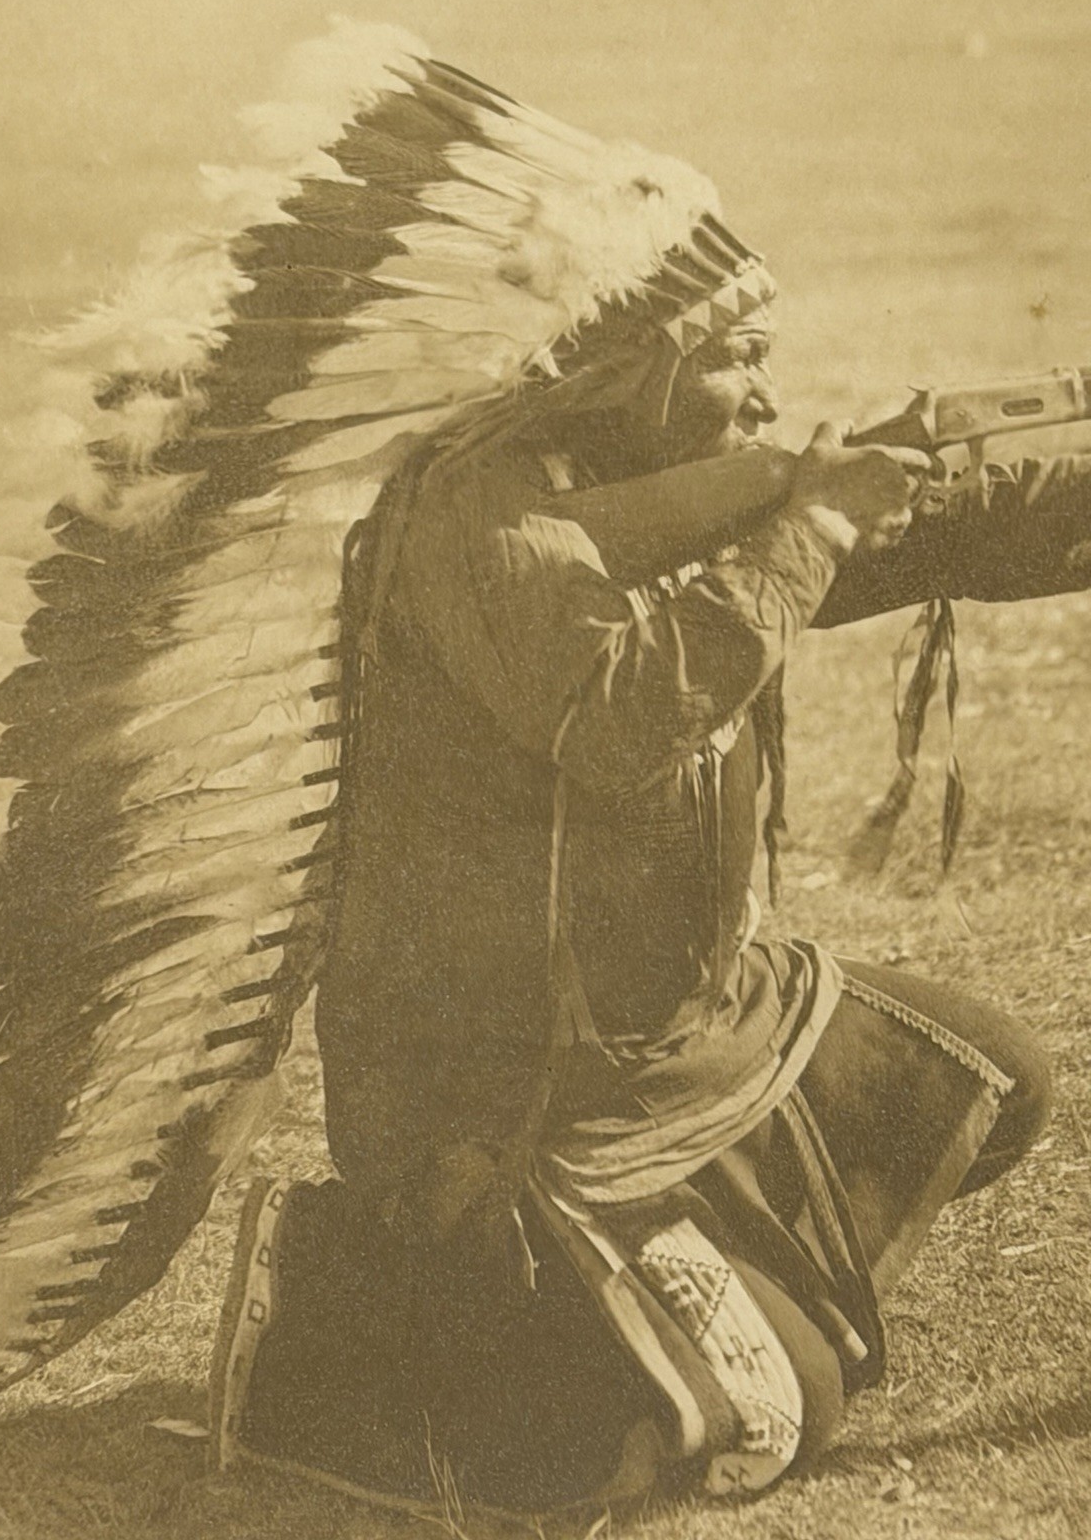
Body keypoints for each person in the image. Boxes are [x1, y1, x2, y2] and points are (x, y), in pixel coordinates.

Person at [207, 124, 1065, 1515]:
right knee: (771, 1415)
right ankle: (384, 1317)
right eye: (732, 355)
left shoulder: (660, 486)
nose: (761, 384)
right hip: (497, 1096)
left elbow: (935, 522)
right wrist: (808, 526)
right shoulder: (467, 517)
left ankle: (659, 1275)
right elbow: (625, 715)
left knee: (1001, 1083)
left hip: (678, 1033)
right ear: (627, 371)